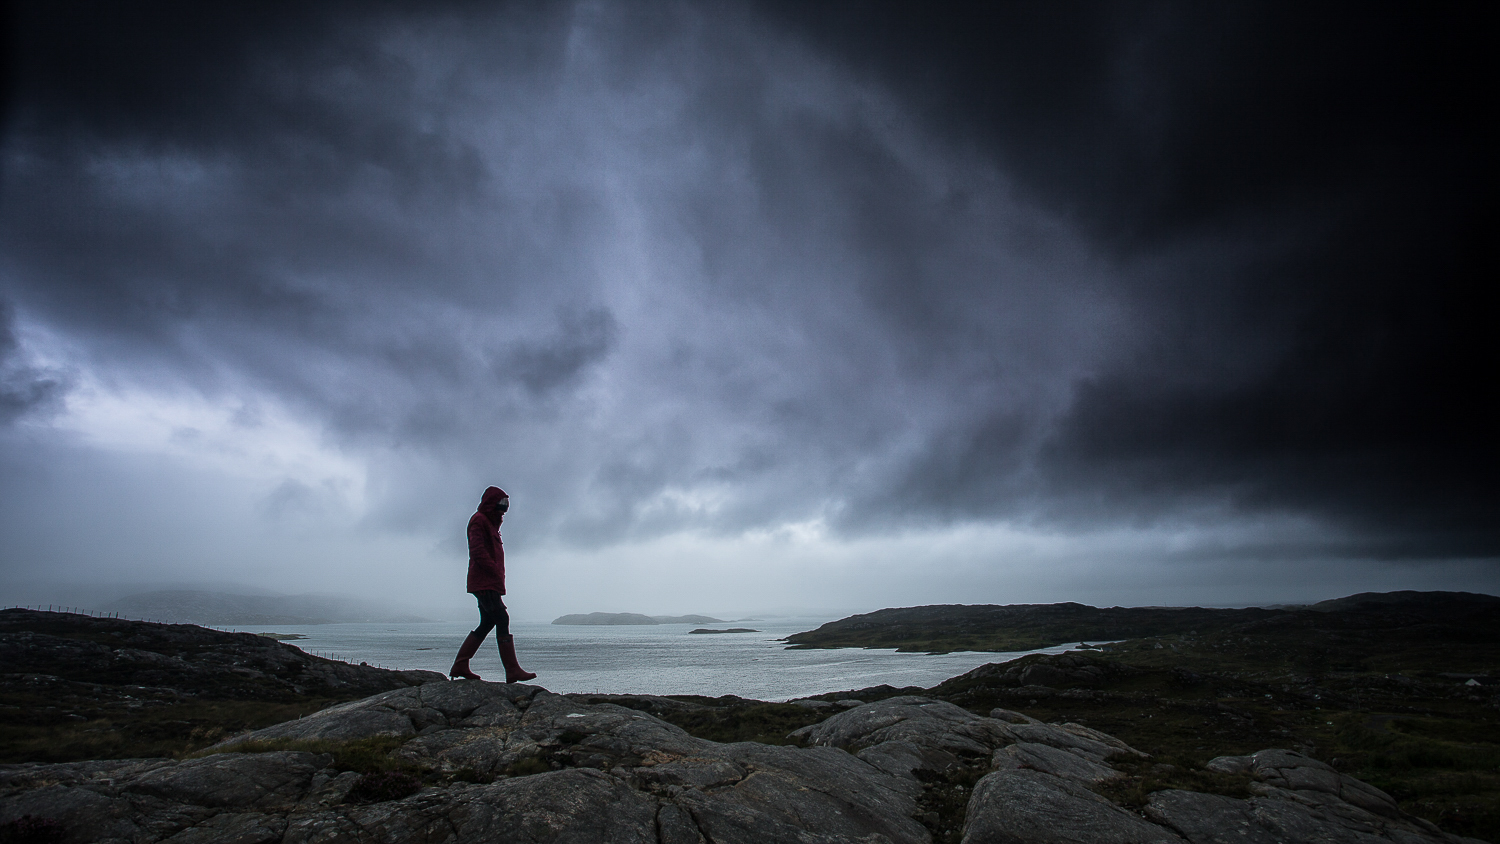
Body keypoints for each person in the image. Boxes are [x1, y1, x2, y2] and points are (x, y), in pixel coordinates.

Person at [449, 486, 537, 683]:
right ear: (491, 503)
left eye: (505, 505)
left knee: (488, 622)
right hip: (484, 582)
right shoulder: (479, 520)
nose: (503, 510)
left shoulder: (489, 524)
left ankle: (461, 664)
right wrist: (494, 571)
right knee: (502, 618)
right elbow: (477, 550)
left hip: (488, 582)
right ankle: (512, 670)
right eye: (501, 504)